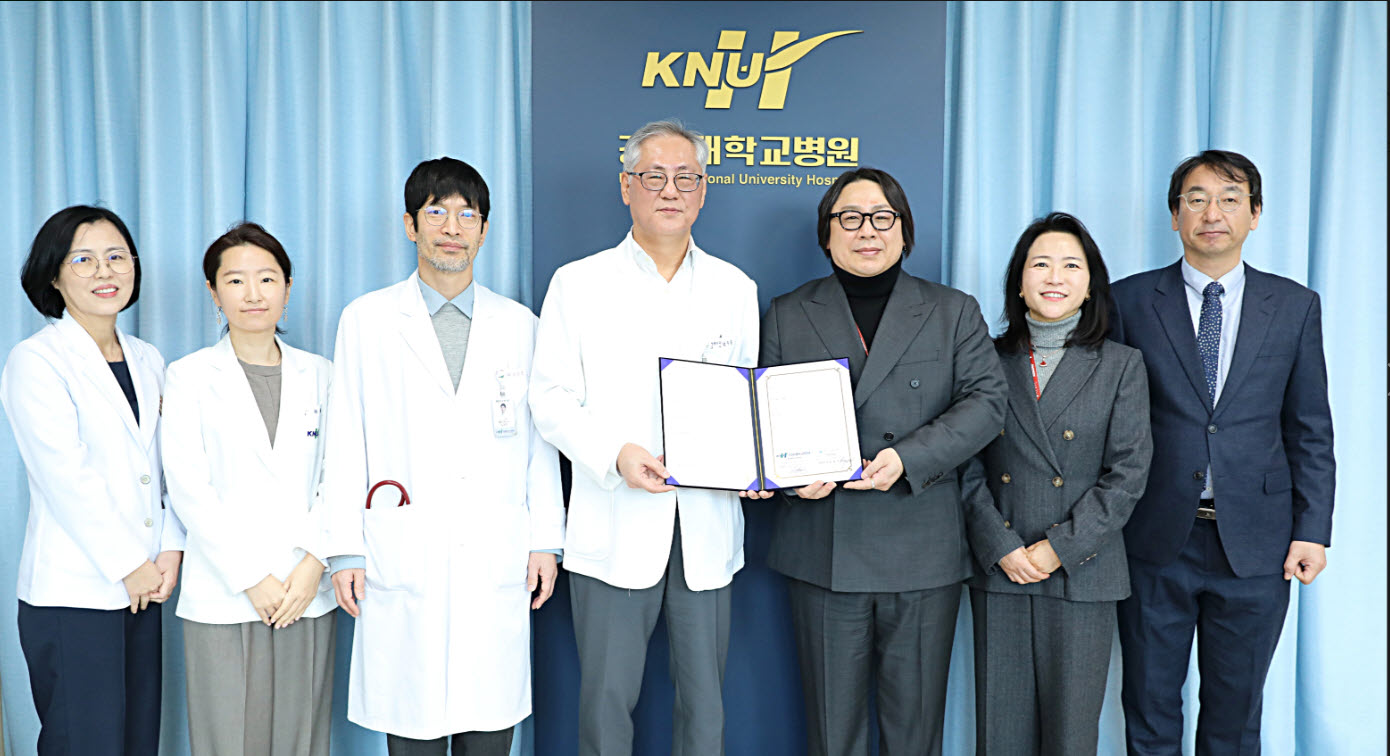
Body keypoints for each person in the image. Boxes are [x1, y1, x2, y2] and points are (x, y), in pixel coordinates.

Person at [528, 119, 762, 756]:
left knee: (705, 708)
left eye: (686, 178)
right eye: (654, 176)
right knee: (605, 705)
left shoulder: (735, 289)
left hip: (705, 526)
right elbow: (549, 399)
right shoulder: (578, 284)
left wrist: (756, 464)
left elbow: (747, 403)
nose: (670, 190)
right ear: (626, 186)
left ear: (704, 191)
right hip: (615, 518)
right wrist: (615, 456)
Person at [320, 157, 564, 755]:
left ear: (484, 230)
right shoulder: (368, 320)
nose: (452, 228)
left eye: (466, 215)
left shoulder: (521, 325)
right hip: (403, 550)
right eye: (436, 212)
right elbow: (346, 438)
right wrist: (345, 546)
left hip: (495, 552)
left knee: (489, 726)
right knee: (413, 726)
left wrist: (545, 541)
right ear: (410, 225)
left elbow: (540, 444)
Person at [758, 168, 1006, 756]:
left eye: (881, 217)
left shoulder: (951, 310)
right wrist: (791, 481)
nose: (866, 230)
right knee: (831, 735)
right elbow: (762, 418)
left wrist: (906, 457)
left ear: (903, 230)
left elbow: (987, 403)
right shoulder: (788, 311)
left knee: (913, 734)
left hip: (921, 549)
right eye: (849, 218)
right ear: (827, 233)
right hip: (823, 547)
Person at [1110, 150, 1335, 754]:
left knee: (1235, 720)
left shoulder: (1294, 306)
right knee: (1149, 710)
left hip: (1258, 543)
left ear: (1254, 214)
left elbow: (1310, 427)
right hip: (1155, 538)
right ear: (1175, 216)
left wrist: (1312, 530)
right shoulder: (1127, 301)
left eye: (1230, 199)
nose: (1213, 213)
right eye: (1197, 199)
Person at [960, 212, 1152, 755]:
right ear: (1018, 282)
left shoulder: (1121, 365)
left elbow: (1128, 473)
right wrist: (1000, 544)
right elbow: (963, 465)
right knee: (1000, 735)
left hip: (1082, 569)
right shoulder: (984, 359)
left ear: (1090, 285)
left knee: (1071, 738)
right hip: (1002, 567)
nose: (1054, 277)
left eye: (1071, 265)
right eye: (1040, 264)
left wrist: (1058, 548)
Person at [2, 205, 185, 754]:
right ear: (54, 276)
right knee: (85, 742)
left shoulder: (148, 359)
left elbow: (169, 466)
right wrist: (130, 565)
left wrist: (170, 550)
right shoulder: (37, 360)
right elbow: (65, 476)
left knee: (136, 740)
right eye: (83, 260)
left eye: (116, 257)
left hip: (145, 585)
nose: (105, 272)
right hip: (75, 592)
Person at [162, 222, 336, 755]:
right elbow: (188, 488)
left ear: (288, 287)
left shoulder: (322, 374)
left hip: (305, 591)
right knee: (228, 740)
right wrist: (251, 578)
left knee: (301, 740)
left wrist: (314, 563)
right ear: (214, 293)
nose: (253, 293)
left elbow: (341, 475)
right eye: (235, 281)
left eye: (267, 278)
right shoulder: (189, 376)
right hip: (226, 591)